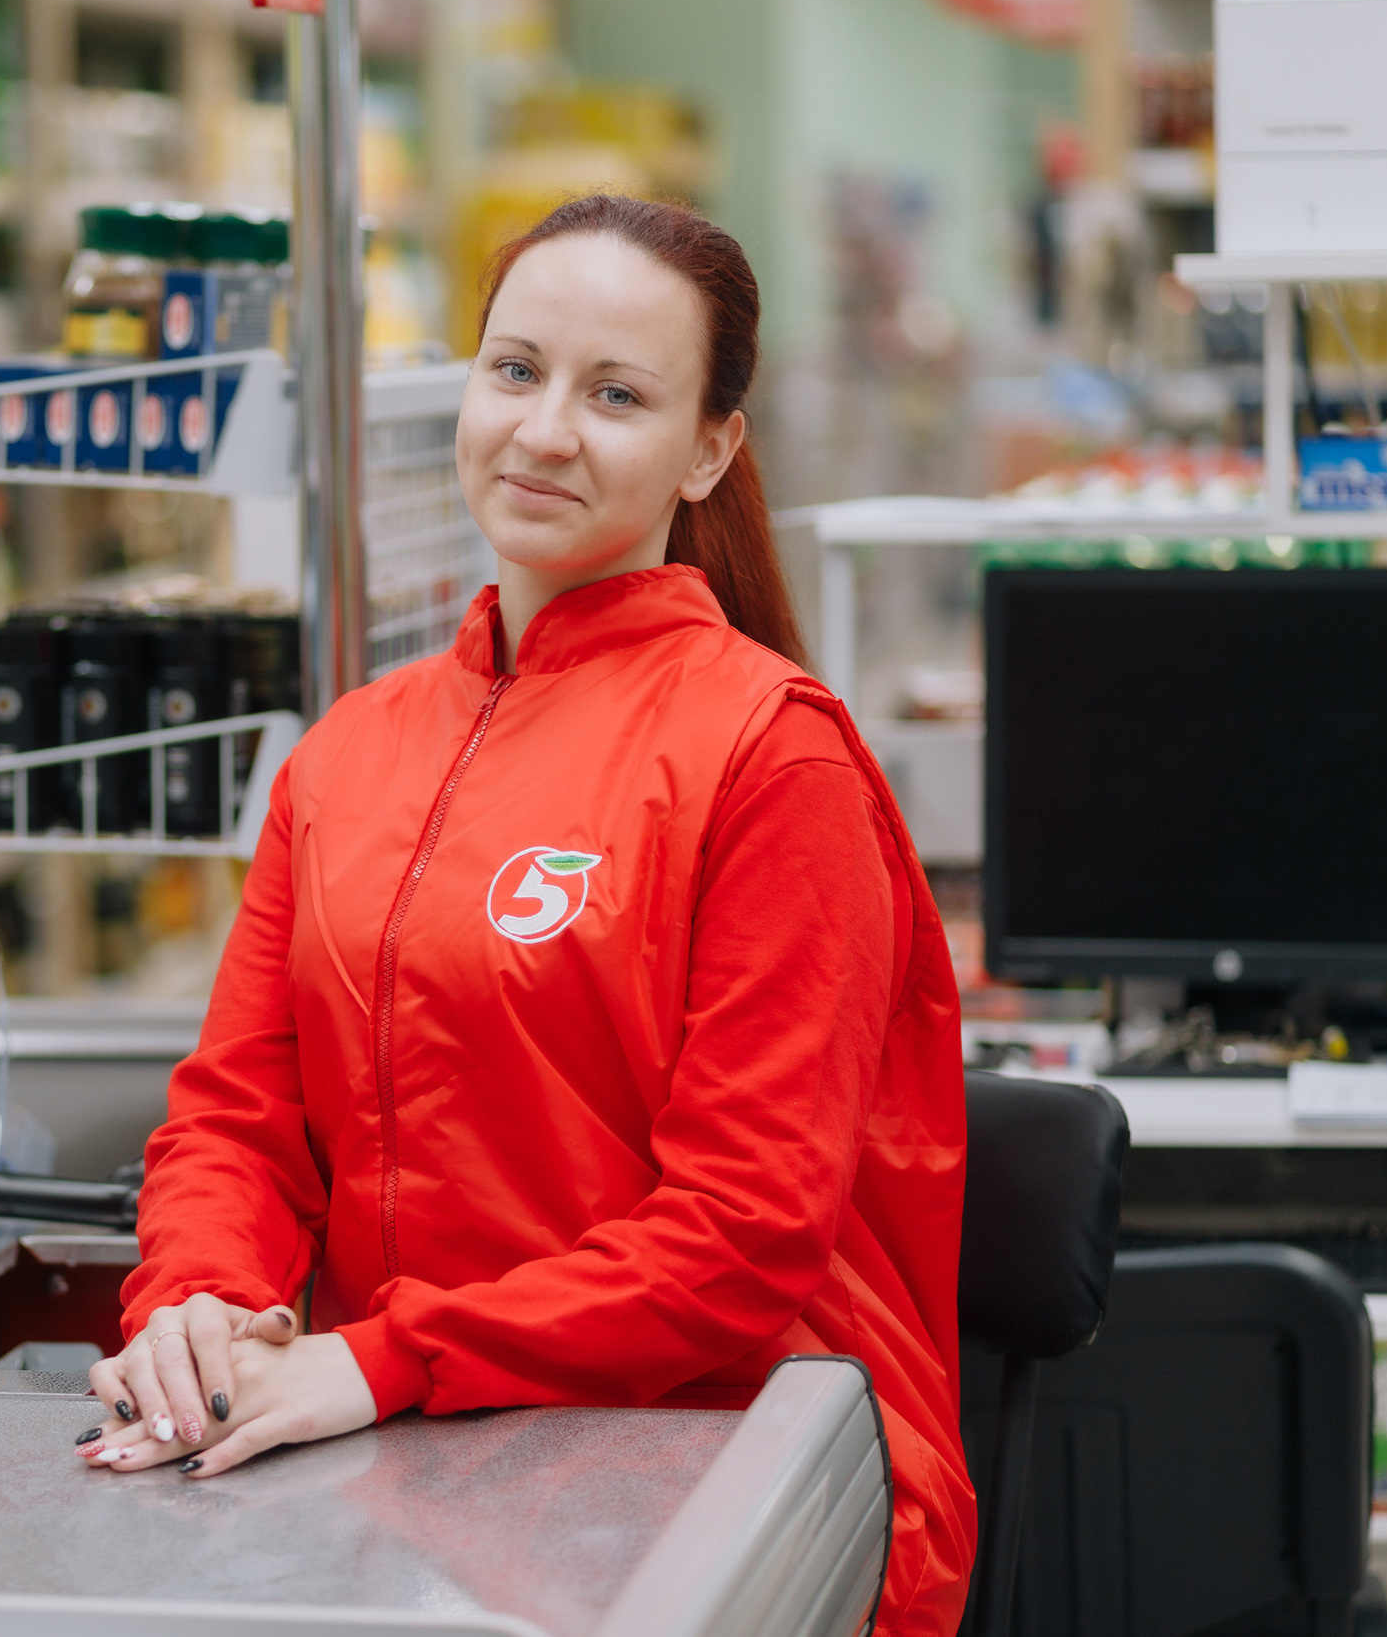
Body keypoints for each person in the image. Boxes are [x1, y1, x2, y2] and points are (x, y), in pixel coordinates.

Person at [69, 194, 973, 1635]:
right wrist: (194, 1304)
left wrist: (375, 1363)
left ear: (711, 448)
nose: (546, 429)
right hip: (421, 1463)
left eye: (617, 394)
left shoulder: (768, 752)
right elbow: (238, 1118)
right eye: (515, 370)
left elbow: (740, 1239)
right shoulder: (345, 757)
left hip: (731, 1465)